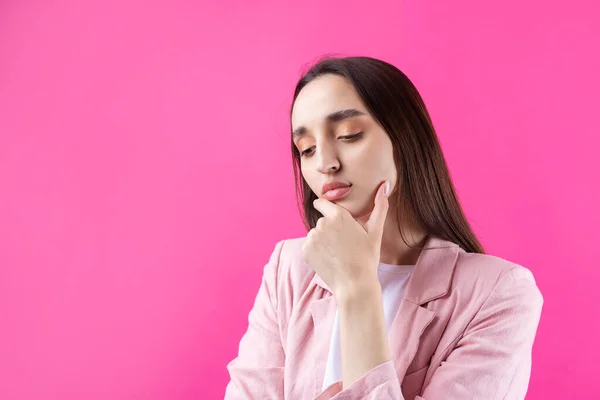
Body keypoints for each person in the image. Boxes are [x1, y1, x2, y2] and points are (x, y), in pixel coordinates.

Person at [224, 56, 543, 399]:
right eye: (307, 148)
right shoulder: (289, 268)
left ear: (406, 138)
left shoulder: (498, 294)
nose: (325, 164)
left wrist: (358, 289)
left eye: (349, 135)